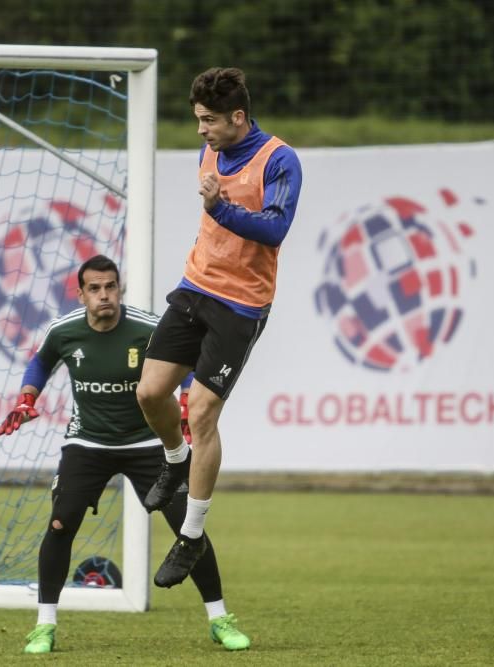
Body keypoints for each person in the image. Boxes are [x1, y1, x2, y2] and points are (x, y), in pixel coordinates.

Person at [0, 255, 250, 654]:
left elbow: (184, 363)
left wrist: (186, 399)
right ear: (80, 294)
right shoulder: (64, 331)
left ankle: (220, 619)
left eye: (110, 287)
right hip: (88, 443)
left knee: (189, 528)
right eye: (94, 288)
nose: (104, 295)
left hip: (148, 445)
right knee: (61, 525)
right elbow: (41, 360)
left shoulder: (148, 327)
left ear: (120, 289)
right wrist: (28, 398)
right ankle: (44, 626)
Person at [136, 67, 303, 588]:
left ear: (237, 116)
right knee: (149, 393)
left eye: (209, 120)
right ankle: (175, 460)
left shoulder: (280, 159)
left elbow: (275, 227)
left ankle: (190, 536)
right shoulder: (209, 150)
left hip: (241, 306)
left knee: (202, 412)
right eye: (197, 120)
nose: (202, 130)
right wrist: (217, 210)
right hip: (195, 288)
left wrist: (220, 207)